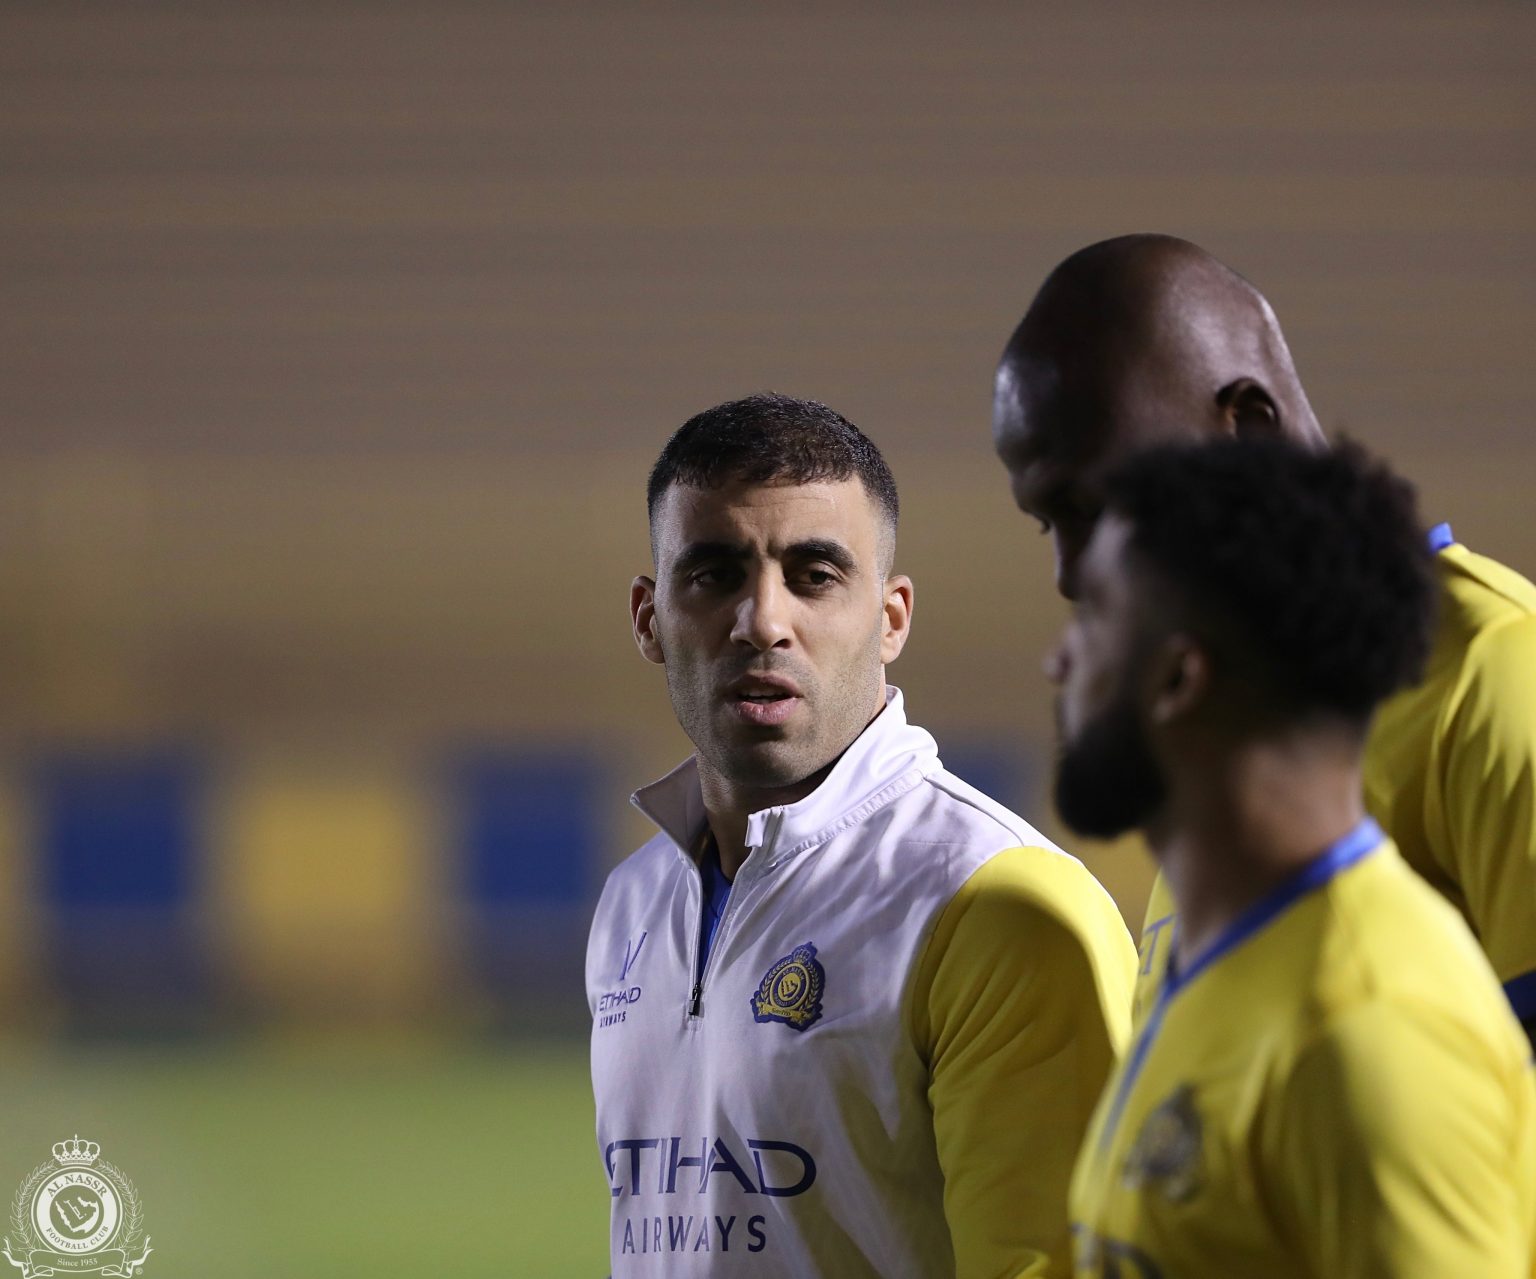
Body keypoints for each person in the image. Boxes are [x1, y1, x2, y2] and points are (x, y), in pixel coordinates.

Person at [587, 392, 1137, 1278]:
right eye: (715, 574)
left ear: (892, 618)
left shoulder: (997, 902)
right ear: (650, 618)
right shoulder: (633, 903)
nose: (763, 622)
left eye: (814, 575)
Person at [993, 233, 1536, 1046]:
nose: (1071, 574)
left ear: (1246, 428)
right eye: (1048, 524)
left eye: (1095, 506)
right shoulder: (1228, 759)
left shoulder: (1496, 669)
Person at [1050, 436, 1536, 1276]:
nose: (1058, 659)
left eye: (1094, 616)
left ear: (1179, 678)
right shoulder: (1224, 959)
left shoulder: (1369, 1029)